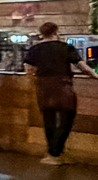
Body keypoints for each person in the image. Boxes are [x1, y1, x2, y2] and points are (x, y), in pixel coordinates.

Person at [23, 21, 86, 164]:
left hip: (44, 87)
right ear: (57, 32)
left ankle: (52, 153)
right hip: (63, 87)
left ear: (42, 33)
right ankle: (56, 153)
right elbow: (82, 66)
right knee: (67, 119)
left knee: (48, 120)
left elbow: (28, 68)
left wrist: (34, 77)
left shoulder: (35, 48)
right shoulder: (65, 47)